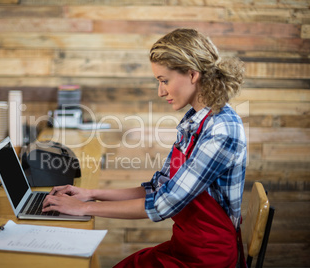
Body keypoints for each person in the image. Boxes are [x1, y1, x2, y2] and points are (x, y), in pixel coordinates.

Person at [42, 28, 247, 268]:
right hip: (186, 246)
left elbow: (164, 202)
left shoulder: (221, 130)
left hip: (209, 258)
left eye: (164, 81)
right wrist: (91, 194)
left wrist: (84, 208)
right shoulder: (194, 121)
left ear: (193, 74)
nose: (161, 92)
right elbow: (158, 186)